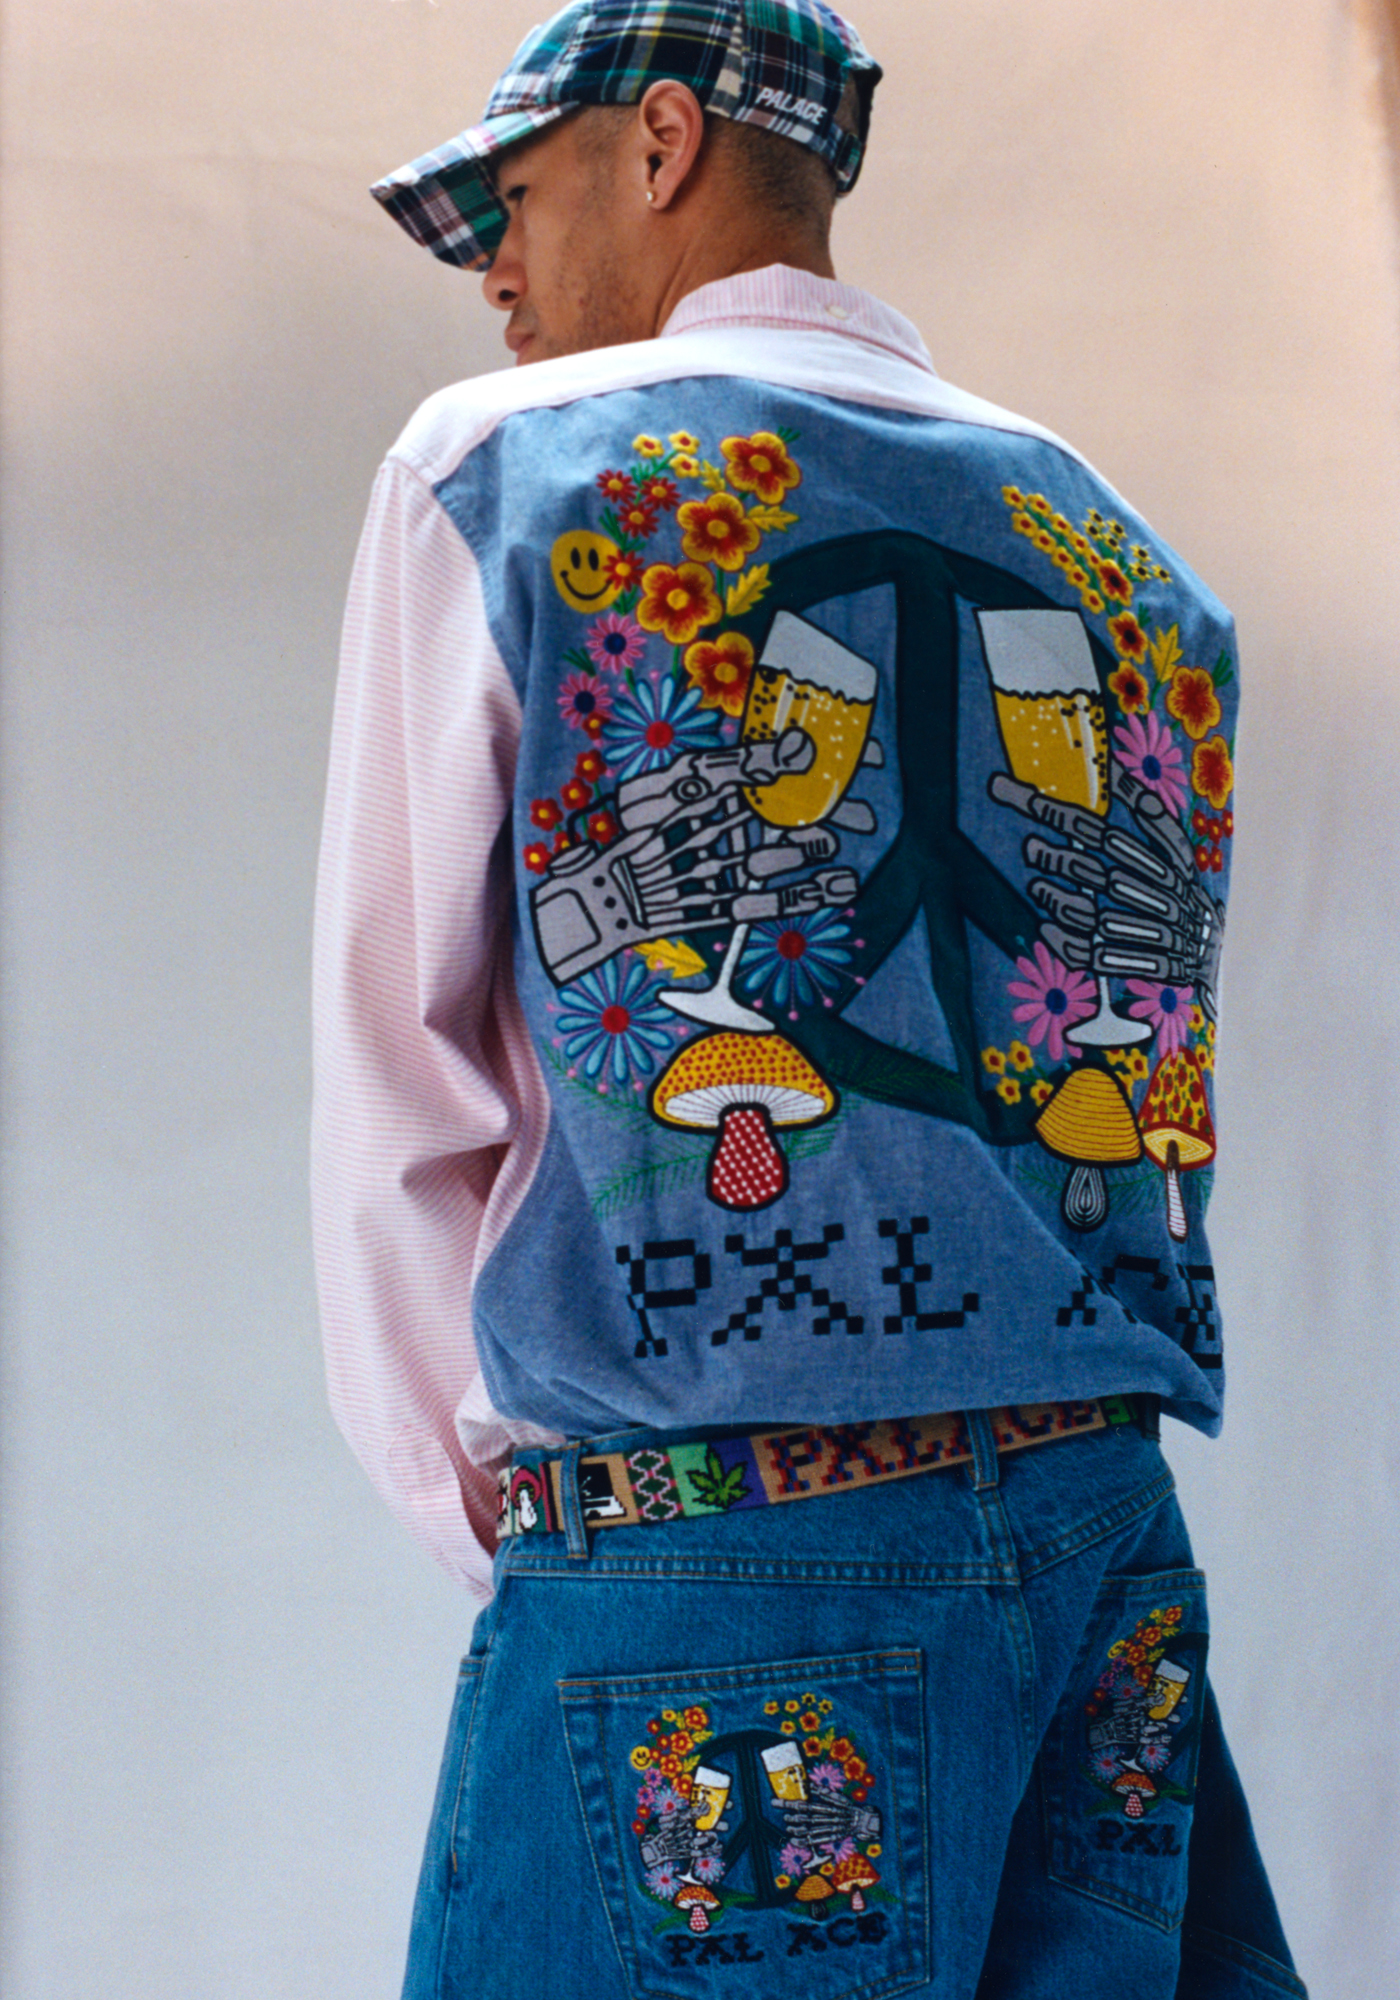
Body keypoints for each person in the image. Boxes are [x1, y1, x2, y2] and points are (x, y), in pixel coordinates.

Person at [312, 4, 1305, 1994]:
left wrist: (547, 1523)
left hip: (712, 1537)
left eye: (506, 203)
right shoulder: (1105, 535)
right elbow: (1106, 1042)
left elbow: (401, 1089)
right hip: (1099, 1535)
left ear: (660, 141)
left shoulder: (504, 472)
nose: (493, 269)